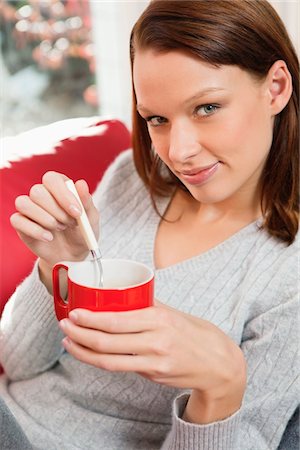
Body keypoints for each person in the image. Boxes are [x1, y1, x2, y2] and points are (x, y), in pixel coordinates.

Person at [0, 0, 299, 449]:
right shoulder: (131, 179)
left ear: (275, 87)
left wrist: (222, 386)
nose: (177, 151)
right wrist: (59, 268)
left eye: (206, 108)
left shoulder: (288, 272)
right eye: (157, 118)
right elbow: (18, 364)